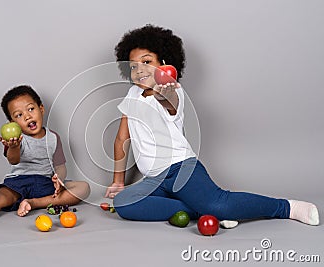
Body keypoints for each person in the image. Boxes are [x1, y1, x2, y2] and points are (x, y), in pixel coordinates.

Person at [104, 24, 319, 227]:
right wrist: (118, 181)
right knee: (124, 203)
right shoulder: (132, 95)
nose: (139, 70)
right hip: (154, 179)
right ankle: (199, 210)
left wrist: (166, 94)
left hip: (181, 169)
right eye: (133, 66)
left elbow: (170, 105)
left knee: (218, 203)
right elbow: (122, 140)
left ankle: (285, 207)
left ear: (164, 63)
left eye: (147, 61)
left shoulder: (172, 90)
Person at [0, 85, 90, 234]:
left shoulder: (53, 138)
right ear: (11, 123)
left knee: (83, 188)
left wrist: (59, 178)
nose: (27, 116)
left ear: (41, 109)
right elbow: (13, 160)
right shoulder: (15, 139)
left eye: (31, 109)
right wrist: (13, 146)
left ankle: (33, 203)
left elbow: (60, 166)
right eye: (18, 115)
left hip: (46, 183)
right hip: (19, 182)